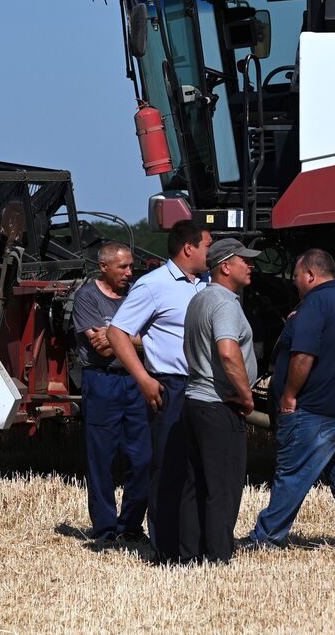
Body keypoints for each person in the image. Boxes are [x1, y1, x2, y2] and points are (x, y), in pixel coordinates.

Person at [248, 248, 335, 549]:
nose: (294, 283)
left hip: (319, 406)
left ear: (310, 275)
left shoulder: (316, 304)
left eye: (296, 278)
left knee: (293, 472)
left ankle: (266, 537)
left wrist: (289, 395)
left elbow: (303, 356)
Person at [107, 219, 211, 563]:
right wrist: (143, 379)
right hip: (171, 386)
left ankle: (192, 545)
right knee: (168, 468)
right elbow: (118, 333)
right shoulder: (153, 286)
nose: (210, 253)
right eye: (207, 246)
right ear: (189, 248)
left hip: (204, 387)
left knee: (198, 469)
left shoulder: (206, 284)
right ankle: (166, 549)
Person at [178, 237, 261, 563]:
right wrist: (245, 395)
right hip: (219, 404)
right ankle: (218, 556)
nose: (251, 265)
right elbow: (228, 352)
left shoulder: (199, 299)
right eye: (245, 260)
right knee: (223, 486)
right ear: (226, 266)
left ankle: (188, 555)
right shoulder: (226, 303)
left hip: (195, 400)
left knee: (194, 483)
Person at [72, 241, 150, 544]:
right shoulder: (87, 298)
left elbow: (151, 336)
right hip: (102, 382)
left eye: (131, 266)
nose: (129, 273)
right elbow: (100, 346)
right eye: (123, 267)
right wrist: (132, 337)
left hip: (136, 380)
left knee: (142, 458)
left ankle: (131, 525)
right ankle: (104, 529)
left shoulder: (135, 296)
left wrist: (117, 336)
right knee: (102, 458)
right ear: (103, 266)